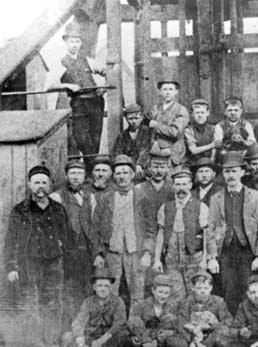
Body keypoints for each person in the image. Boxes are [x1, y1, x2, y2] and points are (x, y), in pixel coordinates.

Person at [4, 164, 74, 346]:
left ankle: (50, 341)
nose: (40, 187)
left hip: (54, 264)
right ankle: (35, 343)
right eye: (36, 183)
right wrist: (11, 266)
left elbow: (68, 236)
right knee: (31, 304)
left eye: (44, 182)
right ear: (29, 185)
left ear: (50, 185)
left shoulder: (58, 209)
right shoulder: (20, 211)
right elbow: (11, 240)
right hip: (29, 265)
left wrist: (68, 259)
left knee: (53, 304)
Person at [205, 151, 258, 315]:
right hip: (226, 252)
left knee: (248, 289)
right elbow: (210, 229)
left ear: (242, 172)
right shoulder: (216, 198)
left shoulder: (254, 196)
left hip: (247, 251)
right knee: (229, 290)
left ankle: (250, 326)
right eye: (227, 171)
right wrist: (212, 257)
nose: (231, 175)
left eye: (234, 171)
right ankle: (233, 328)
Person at [90, 155, 156, 311]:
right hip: (112, 251)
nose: (122, 177)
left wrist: (147, 252)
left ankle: (135, 326)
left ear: (132, 175)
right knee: (109, 291)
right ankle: (110, 325)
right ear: (113, 176)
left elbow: (151, 229)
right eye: (118, 173)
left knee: (137, 292)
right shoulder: (105, 198)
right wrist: (98, 253)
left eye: (125, 172)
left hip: (136, 252)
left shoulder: (143, 198)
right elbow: (95, 229)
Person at [152, 168, 209, 297]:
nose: (181, 188)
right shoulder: (166, 207)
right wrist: (156, 259)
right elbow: (160, 234)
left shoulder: (200, 207)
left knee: (195, 294)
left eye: (184, 184)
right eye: (178, 184)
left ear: (190, 185)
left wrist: (205, 259)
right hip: (172, 260)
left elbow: (207, 234)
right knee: (176, 296)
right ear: (173, 186)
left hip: (194, 259)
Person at [50, 160, 94, 326]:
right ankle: (68, 328)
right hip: (68, 253)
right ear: (66, 176)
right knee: (69, 290)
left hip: (87, 252)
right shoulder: (57, 197)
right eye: (73, 173)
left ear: (84, 176)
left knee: (88, 289)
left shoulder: (90, 196)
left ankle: (86, 327)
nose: (76, 177)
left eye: (79, 173)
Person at [58, 21, 106, 162]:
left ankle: (91, 170)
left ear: (81, 43)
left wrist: (103, 86)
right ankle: (92, 166)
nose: (74, 44)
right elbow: (49, 86)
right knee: (82, 138)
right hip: (79, 102)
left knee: (95, 137)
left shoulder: (88, 61)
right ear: (66, 42)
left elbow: (108, 72)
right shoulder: (61, 62)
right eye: (71, 41)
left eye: (77, 41)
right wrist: (68, 85)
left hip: (96, 101)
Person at [61, 268, 128, 347]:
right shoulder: (88, 302)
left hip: (109, 339)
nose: (103, 289)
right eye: (99, 286)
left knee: (124, 334)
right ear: (94, 287)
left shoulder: (118, 301)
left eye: (106, 286)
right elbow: (78, 323)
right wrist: (81, 343)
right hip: (91, 338)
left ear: (111, 288)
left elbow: (119, 323)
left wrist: (101, 341)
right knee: (67, 336)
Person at [128, 274, 188, 347]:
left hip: (162, 341)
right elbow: (133, 323)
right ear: (153, 290)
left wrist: (169, 333)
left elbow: (178, 328)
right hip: (144, 341)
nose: (163, 296)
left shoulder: (172, 307)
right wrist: (136, 336)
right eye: (160, 292)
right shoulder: (142, 306)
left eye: (166, 293)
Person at [178, 271, 232, 347]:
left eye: (206, 288)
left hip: (211, 336)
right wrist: (192, 336)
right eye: (199, 288)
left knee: (224, 331)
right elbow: (181, 323)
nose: (202, 291)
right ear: (192, 288)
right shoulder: (186, 303)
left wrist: (210, 326)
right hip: (192, 335)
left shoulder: (218, 302)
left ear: (211, 288)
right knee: (174, 339)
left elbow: (228, 321)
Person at [149, 80, 190, 165]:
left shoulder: (181, 110)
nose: (168, 92)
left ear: (176, 92)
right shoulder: (155, 109)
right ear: (160, 92)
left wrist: (156, 125)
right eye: (164, 89)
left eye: (171, 89)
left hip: (173, 153)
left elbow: (175, 132)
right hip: (155, 152)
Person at [112, 103, 153, 180]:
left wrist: (139, 165)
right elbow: (117, 154)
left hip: (145, 169)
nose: (133, 121)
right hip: (128, 169)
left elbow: (147, 150)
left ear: (141, 117)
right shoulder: (122, 136)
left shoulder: (147, 132)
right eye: (130, 119)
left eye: (136, 118)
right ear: (126, 119)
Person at [184, 98, 217, 166]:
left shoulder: (214, 128)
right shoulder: (189, 130)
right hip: (194, 163)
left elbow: (215, 148)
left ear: (207, 113)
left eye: (202, 112)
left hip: (211, 162)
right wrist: (211, 145)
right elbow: (193, 150)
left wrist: (212, 159)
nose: (200, 115)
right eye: (197, 113)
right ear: (192, 114)